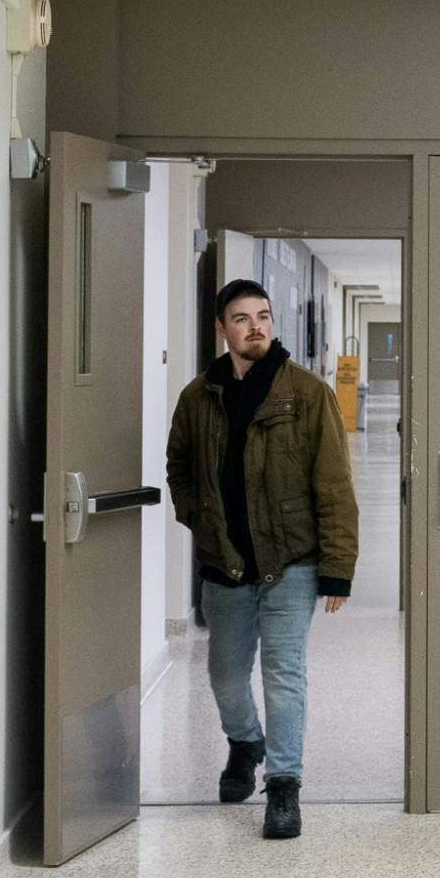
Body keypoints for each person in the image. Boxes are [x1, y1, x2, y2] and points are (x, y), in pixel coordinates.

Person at [165, 279, 358, 840]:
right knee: (225, 674)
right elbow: (179, 464)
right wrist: (199, 518)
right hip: (224, 562)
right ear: (222, 329)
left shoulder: (306, 394)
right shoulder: (198, 396)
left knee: (284, 672)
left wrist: (337, 566)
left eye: (264, 316)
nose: (256, 327)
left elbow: (335, 486)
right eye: (243, 318)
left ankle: (284, 787)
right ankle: (246, 742)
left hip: (291, 561)